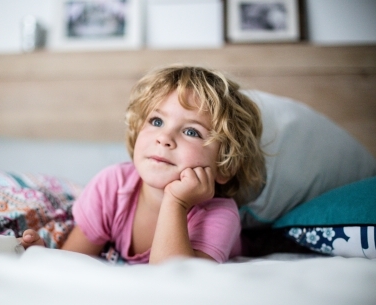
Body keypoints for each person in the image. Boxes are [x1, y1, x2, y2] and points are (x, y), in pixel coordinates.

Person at [19, 65, 265, 264]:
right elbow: (72, 261)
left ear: (224, 165)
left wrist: (177, 203)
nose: (164, 138)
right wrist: (45, 261)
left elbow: (176, 285)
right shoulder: (111, 186)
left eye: (191, 131)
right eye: (157, 121)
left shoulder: (219, 214)